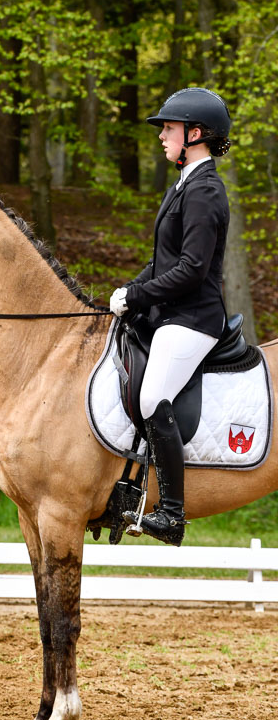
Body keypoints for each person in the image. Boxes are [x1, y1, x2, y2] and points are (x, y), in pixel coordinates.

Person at [110, 87, 232, 546]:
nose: (162, 135)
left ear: (195, 134)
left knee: (151, 397)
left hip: (194, 318)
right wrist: (129, 291)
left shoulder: (205, 190)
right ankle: (127, 490)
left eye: (169, 128)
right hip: (171, 311)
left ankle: (172, 515)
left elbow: (191, 270)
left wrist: (139, 296)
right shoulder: (183, 185)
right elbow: (164, 261)